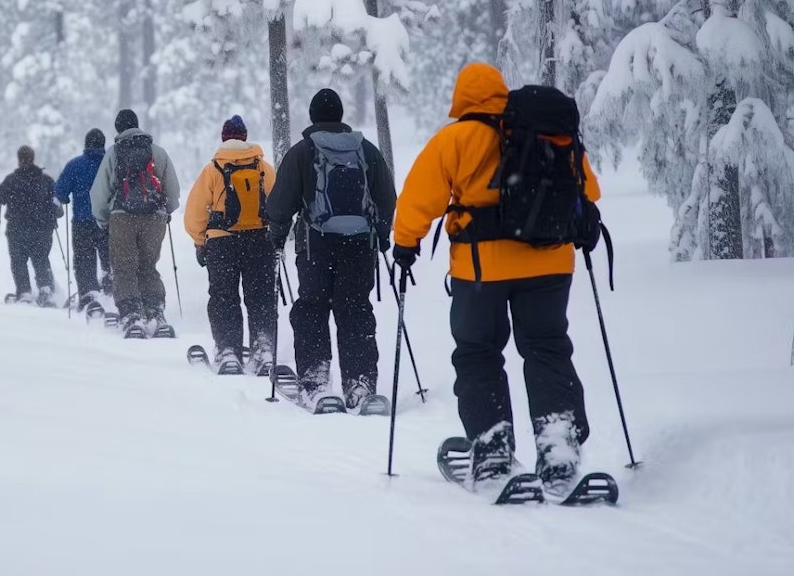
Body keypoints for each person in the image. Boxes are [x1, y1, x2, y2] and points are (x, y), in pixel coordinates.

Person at [391, 63, 603, 493]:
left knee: (478, 353)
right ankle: (558, 448)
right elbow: (590, 191)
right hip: (550, 262)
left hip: (481, 269)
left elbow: (419, 197)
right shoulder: (545, 131)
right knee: (547, 350)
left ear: (462, 98)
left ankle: (492, 451)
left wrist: (405, 244)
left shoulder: (455, 138)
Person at [267, 89, 396, 409]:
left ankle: (316, 382)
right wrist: (381, 234)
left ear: (312, 117)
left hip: (316, 246)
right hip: (360, 245)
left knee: (312, 308)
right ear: (340, 116)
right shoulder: (366, 150)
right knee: (355, 310)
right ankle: (361, 384)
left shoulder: (301, 152)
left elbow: (281, 204)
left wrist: (277, 236)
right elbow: (387, 197)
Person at [184, 115, 277, 375]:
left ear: (224, 138)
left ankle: (228, 351)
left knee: (224, 296)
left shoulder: (213, 169)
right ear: (245, 137)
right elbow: (277, 204)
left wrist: (200, 240)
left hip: (222, 242)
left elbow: (194, 215)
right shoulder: (263, 168)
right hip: (259, 240)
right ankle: (263, 349)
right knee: (260, 297)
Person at [90, 109, 181, 332]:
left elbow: (99, 193)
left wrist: (103, 220)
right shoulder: (157, 152)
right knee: (148, 266)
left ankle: (131, 314)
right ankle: (155, 311)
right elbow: (173, 190)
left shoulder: (113, 153)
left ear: (118, 128)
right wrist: (165, 210)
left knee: (124, 267)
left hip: (122, 217)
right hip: (154, 217)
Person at [0, 146, 62, 306]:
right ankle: (45, 289)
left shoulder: (12, 180)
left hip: (17, 230)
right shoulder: (46, 181)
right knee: (41, 259)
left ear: (19, 160)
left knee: (18, 261)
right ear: (33, 159)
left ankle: (24, 292)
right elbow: (57, 207)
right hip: (42, 230)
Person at [55, 128, 112, 309]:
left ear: (86, 144)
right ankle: (111, 293)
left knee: (83, 260)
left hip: (82, 221)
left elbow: (60, 193)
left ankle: (88, 295)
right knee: (109, 258)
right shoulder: (110, 164)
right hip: (107, 222)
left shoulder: (74, 165)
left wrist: (64, 199)